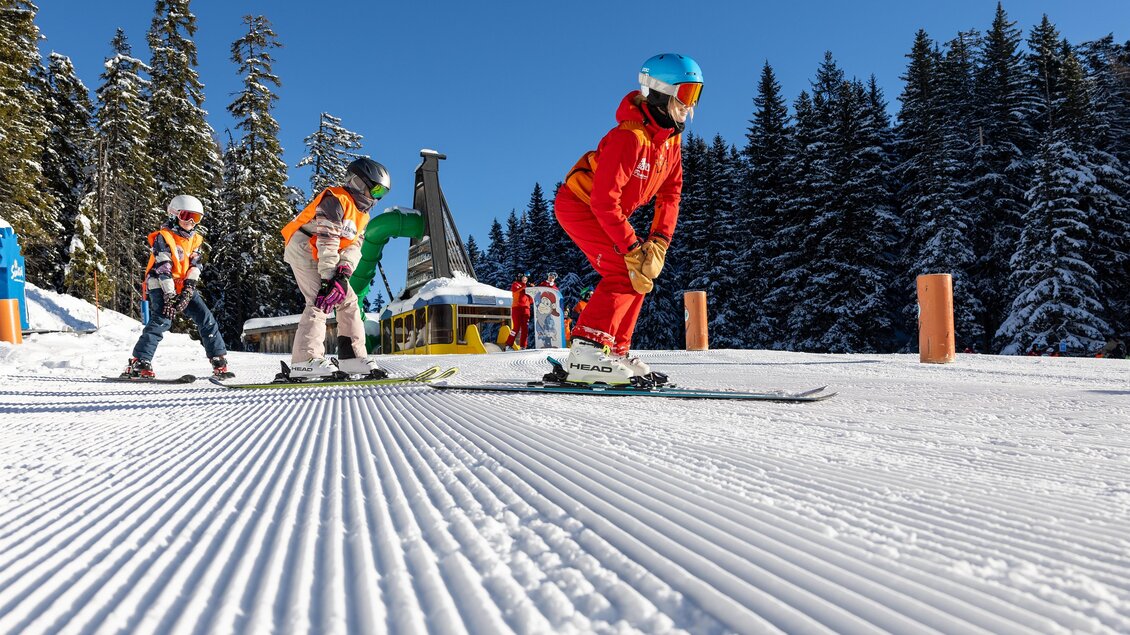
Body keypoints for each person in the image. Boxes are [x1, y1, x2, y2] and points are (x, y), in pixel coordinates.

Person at [554, 53, 702, 384]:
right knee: (623, 269)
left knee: (639, 275)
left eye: (697, 94)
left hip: (607, 210)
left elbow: (670, 195)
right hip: (580, 204)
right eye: (687, 93)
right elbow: (604, 200)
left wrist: (659, 242)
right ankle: (586, 350)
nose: (690, 106)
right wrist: (632, 246)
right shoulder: (630, 138)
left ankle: (615, 351)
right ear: (661, 92)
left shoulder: (670, 143)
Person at [281, 157, 390, 379]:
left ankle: (352, 358)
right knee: (320, 299)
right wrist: (329, 278)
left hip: (324, 254)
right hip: (304, 246)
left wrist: (343, 273)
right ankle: (304, 361)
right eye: (376, 190)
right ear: (359, 183)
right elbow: (327, 240)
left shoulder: (363, 216)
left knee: (348, 300)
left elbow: (354, 247)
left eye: (382, 193)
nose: (376, 197)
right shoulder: (335, 200)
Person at [121, 195, 230, 379]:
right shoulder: (164, 237)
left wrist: (188, 289)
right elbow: (164, 267)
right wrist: (170, 295)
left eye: (195, 218)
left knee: (206, 318)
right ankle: (139, 361)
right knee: (162, 320)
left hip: (182, 286)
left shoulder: (195, 240)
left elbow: (196, 265)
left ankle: (218, 358)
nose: (190, 222)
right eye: (186, 216)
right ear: (174, 215)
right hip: (161, 284)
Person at [506, 272, 532, 349]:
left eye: (526, 278)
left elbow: (531, 300)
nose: (525, 279)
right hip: (517, 308)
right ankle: (508, 345)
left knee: (525, 329)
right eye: (524, 278)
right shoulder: (516, 284)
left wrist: (532, 293)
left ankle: (523, 346)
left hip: (526, 309)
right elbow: (515, 291)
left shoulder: (527, 287)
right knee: (516, 327)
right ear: (520, 278)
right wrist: (524, 287)